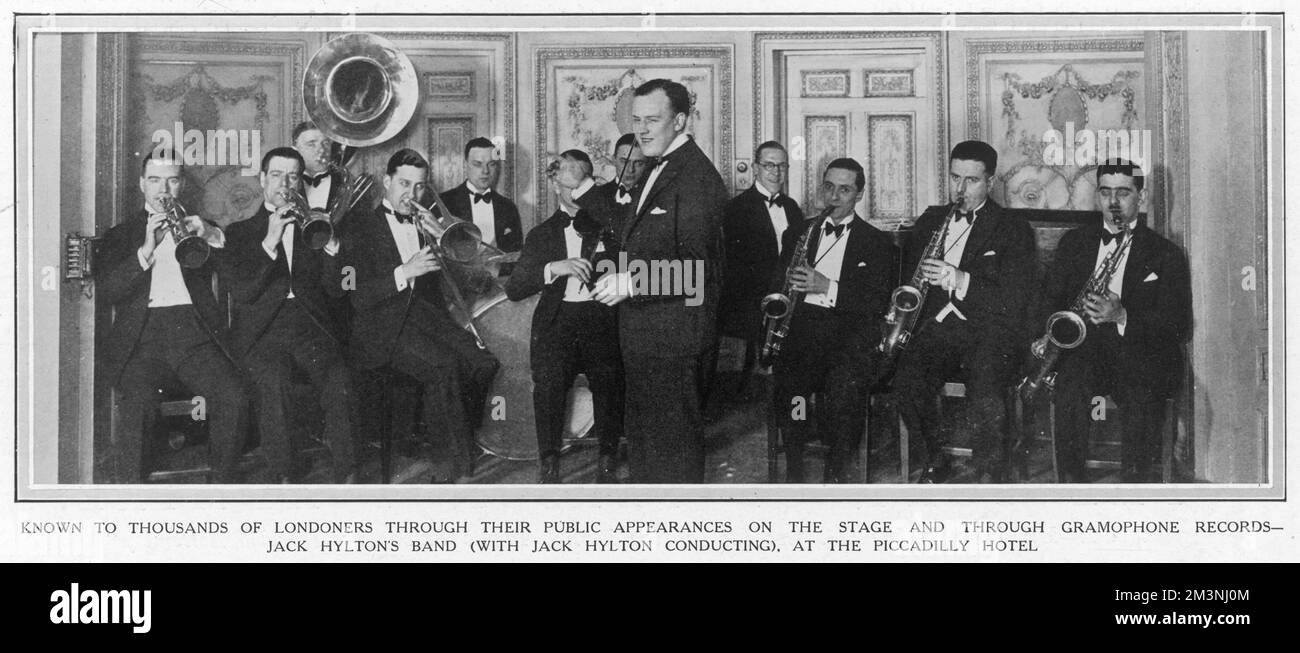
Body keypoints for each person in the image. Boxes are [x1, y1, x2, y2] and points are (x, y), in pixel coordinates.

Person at [592, 78, 728, 483]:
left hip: (674, 337)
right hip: (648, 334)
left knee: (673, 453)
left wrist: (630, 284)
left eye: (653, 119)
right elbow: (642, 237)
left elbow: (698, 270)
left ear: (681, 120)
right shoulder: (659, 166)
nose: (643, 129)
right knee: (648, 450)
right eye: (637, 120)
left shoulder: (696, 178)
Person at [96, 150, 250, 483]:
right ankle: (130, 498)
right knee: (137, 406)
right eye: (154, 180)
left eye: (172, 180)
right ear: (141, 184)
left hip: (193, 334)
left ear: (180, 184)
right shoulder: (120, 235)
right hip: (143, 340)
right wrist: (146, 251)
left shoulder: (195, 226)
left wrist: (210, 234)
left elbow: (237, 277)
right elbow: (108, 292)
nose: (163, 189)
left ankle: (223, 491)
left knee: (233, 395)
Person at [347, 148, 500, 481]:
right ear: (386, 182)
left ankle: (455, 439)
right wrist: (405, 271)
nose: (411, 195)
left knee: (484, 363)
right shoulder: (359, 227)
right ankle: (450, 466)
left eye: (419, 187)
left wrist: (442, 236)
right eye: (403, 183)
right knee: (443, 367)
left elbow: (467, 277)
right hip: (384, 327)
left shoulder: (423, 222)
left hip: (426, 320)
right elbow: (355, 294)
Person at [1033, 159, 1190, 483]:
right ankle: (1071, 487)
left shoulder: (1166, 254)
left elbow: (1179, 324)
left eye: (1123, 193)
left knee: (1142, 392)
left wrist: (1122, 315)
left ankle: (1134, 488)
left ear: (1141, 197)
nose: (1113, 203)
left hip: (1140, 351)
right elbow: (1048, 301)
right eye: (1105, 193)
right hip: (1086, 346)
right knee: (1069, 386)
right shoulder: (1074, 243)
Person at [891, 140, 1037, 483]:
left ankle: (989, 472)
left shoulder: (1012, 229)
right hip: (937, 329)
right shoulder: (930, 220)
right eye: (955, 177)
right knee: (907, 379)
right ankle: (934, 458)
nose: (960, 189)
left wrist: (960, 279)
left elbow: (1014, 301)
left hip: (989, 331)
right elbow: (909, 280)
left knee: (986, 389)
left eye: (971, 180)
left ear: (990, 181)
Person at [223, 146, 356, 483]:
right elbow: (243, 293)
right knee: (274, 380)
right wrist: (270, 241)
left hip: (309, 325)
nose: (285, 183)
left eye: (293, 176)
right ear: (263, 179)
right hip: (262, 330)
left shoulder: (314, 227)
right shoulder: (238, 232)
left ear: (300, 183)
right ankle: (286, 473)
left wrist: (332, 250)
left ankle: (349, 473)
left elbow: (337, 290)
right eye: (278, 175)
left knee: (339, 378)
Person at [770, 158, 897, 482]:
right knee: (793, 394)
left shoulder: (878, 242)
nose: (834, 197)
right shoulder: (799, 232)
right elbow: (779, 286)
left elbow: (876, 303)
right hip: (802, 334)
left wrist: (827, 286)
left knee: (843, 397)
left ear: (859, 194)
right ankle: (795, 466)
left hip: (848, 339)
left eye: (845, 189)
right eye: (829, 187)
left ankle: (836, 472)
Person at [506, 150, 624, 483]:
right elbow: (515, 288)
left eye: (585, 181)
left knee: (609, 382)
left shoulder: (610, 228)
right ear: (557, 185)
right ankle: (549, 460)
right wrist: (554, 268)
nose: (578, 189)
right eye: (571, 181)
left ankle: (607, 456)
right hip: (557, 322)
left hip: (600, 316)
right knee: (548, 385)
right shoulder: (542, 233)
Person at [719, 140, 805, 367]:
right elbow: (733, 268)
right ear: (755, 168)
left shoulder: (792, 207)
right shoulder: (736, 209)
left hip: (786, 303)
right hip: (751, 306)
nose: (776, 172)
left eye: (782, 166)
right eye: (769, 165)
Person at [438, 136, 523, 253]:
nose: (485, 171)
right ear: (465, 165)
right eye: (478, 164)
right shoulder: (444, 202)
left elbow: (516, 252)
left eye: (491, 164)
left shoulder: (508, 207)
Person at [588, 133, 646, 218]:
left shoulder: (656, 196)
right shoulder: (596, 196)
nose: (630, 170)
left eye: (639, 163)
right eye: (624, 161)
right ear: (614, 160)